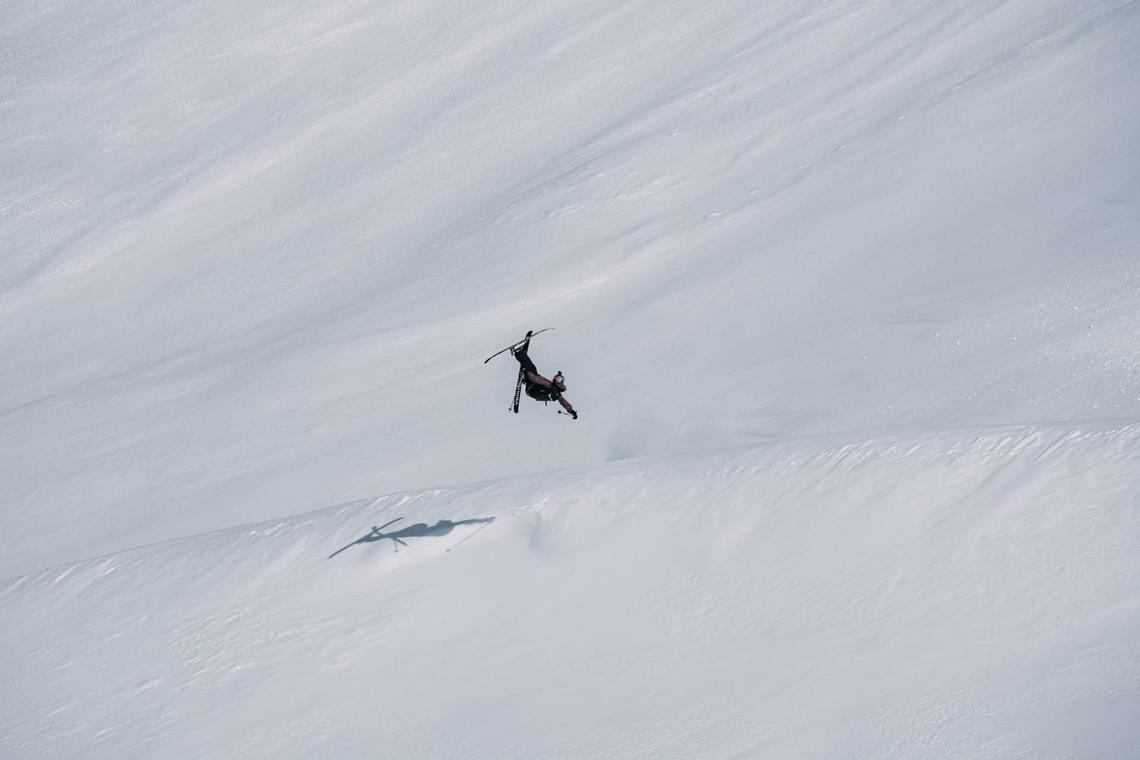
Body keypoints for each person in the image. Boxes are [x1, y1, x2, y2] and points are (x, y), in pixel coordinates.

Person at [511, 331, 578, 419]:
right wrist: (571, 411)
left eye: (558, 379)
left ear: (560, 384)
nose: (556, 378)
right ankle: (525, 378)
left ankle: (517, 351)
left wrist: (527, 372)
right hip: (532, 390)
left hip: (532, 386)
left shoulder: (551, 386)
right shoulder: (558, 395)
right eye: (557, 377)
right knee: (532, 372)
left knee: (530, 367)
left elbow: (536, 379)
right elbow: (565, 403)